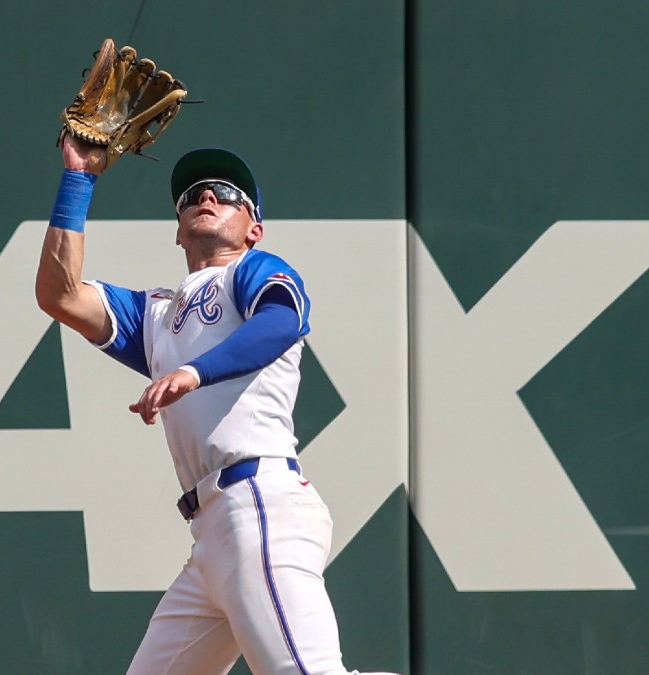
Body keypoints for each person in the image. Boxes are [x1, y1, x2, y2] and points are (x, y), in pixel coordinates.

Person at [36, 135, 391, 675]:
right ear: (177, 230)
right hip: (211, 539)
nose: (206, 196)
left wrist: (193, 372)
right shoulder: (154, 316)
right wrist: (78, 178)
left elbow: (283, 321)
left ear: (254, 227)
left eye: (226, 193)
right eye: (192, 195)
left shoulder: (249, 272)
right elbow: (59, 295)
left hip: (260, 505)